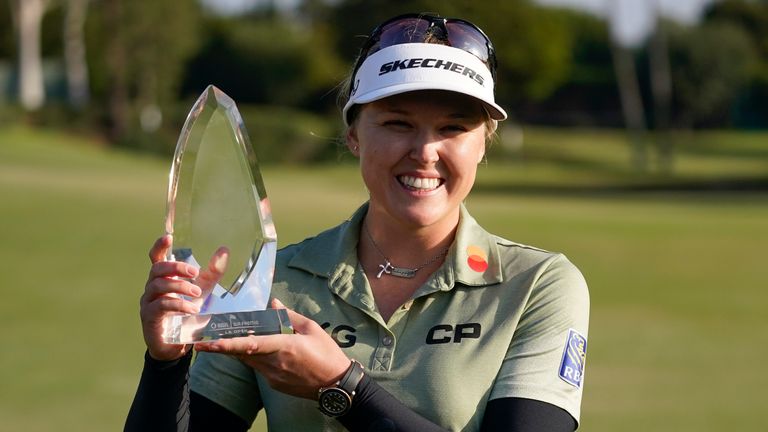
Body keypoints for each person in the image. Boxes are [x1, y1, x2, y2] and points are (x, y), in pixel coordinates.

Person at [126, 12, 589, 432]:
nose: (425, 152)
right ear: (353, 136)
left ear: (483, 145)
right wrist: (166, 361)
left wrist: (342, 387)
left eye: (452, 128)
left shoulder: (538, 286)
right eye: (397, 123)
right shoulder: (276, 282)